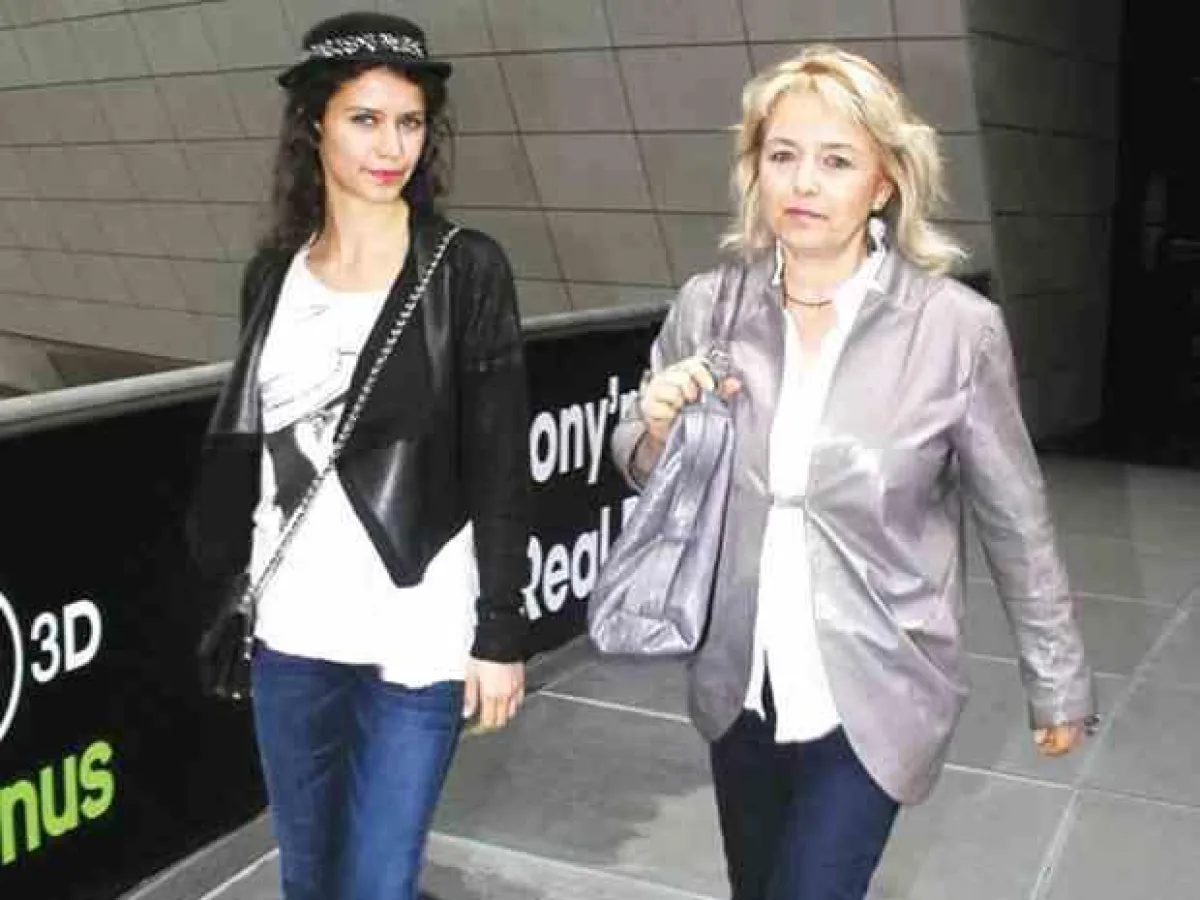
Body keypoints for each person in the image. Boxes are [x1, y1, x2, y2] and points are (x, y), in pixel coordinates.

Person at [612, 46, 1096, 900]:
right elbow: (644, 468)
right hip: (739, 679)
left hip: (879, 681)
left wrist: (1058, 682)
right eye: (783, 155)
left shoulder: (954, 330)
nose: (804, 182)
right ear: (755, 169)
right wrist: (652, 430)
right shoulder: (709, 305)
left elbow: (1016, 521)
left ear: (883, 183)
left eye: (836, 160)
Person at [187, 12, 529, 900]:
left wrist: (499, 630)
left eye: (409, 122)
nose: (391, 146)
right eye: (365, 119)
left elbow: (499, 462)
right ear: (314, 124)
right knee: (309, 879)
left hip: (418, 623)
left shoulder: (465, 269)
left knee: (378, 883)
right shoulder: (273, 274)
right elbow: (253, 445)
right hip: (293, 626)